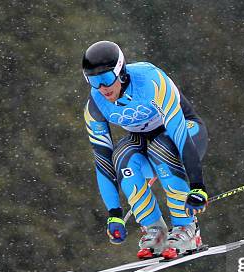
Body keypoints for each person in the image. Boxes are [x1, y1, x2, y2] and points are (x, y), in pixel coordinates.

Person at [82, 40, 209, 260]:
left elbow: (179, 134)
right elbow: (102, 161)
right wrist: (114, 214)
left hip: (186, 132)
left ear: (121, 71)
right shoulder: (95, 105)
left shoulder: (151, 81)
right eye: (93, 81)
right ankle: (154, 230)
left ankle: (186, 229)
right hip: (145, 141)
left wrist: (198, 186)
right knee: (121, 156)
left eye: (106, 78)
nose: (102, 88)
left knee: (161, 147)